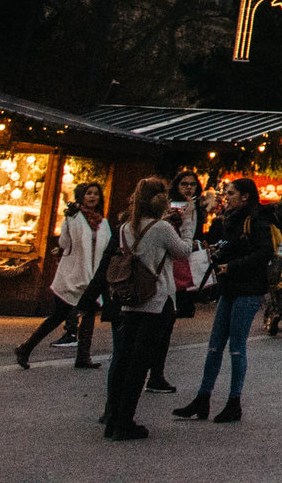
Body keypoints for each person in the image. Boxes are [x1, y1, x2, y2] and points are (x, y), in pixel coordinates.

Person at [175, 178, 275, 423]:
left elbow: (264, 253)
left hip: (248, 289)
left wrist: (233, 266)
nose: (226, 197)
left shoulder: (257, 219)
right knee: (214, 346)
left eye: (231, 193)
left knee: (237, 348)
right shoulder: (228, 219)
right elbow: (225, 245)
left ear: (245, 196)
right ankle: (203, 397)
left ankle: (234, 401)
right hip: (229, 288)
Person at [102, 177, 191, 442]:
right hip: (156, 301)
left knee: (124, 361)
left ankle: (113, 417)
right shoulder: (162, 228)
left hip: (130, 300)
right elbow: (183, 252)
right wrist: (186, 226)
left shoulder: (125, 228)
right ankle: (125, 421)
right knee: (139, 365)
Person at [14, 182, 112, 371]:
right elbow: (64, 243)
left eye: (96, 194)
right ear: (81, 196)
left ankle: (83, 356)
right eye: (89, 194)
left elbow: (106, 248)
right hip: (72, 275)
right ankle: (25, 348)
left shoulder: (103, 223)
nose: (93, 197)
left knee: (90, 313)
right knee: (58, 315)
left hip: (92, 277)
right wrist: (69, 221)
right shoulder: (74, 218)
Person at [151, 171, 210, 394]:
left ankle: (156, 373)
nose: (188, 188)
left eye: (192, 184)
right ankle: (154, 373)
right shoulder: (173, 207)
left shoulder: (196, 206)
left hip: (181, 264)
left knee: (167, 321)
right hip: (171, 264)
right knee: (161, 323)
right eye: (184, 184)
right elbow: (180, 241)